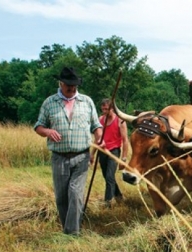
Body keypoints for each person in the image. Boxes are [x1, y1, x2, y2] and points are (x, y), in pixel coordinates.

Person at [34, 66, 103, 236]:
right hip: (59, 158)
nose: (72, 89)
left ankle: (72, 233)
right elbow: (38, 126)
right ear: (60, 83)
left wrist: (99, 138)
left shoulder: (86, 102)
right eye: (68, 86)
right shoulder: (49, 103)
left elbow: (97, 126)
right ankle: (67, 228)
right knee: (62, 197)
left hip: (82, 156)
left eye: (74, 86)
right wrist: (48, 131)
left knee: (75, 194)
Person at [93, 98, 129, 207]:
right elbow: (97, 139)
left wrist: (123, 159)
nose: (104, 111)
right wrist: (92, 154)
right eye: (103, 108)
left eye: (107, 109)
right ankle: (118, 196)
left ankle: (108, 202)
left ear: (112, 109)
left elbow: (125, 140)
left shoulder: (120, 121)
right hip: (102, 151)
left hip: (114, 151)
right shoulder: (100, 120)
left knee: (109, 176)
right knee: (107, 176)